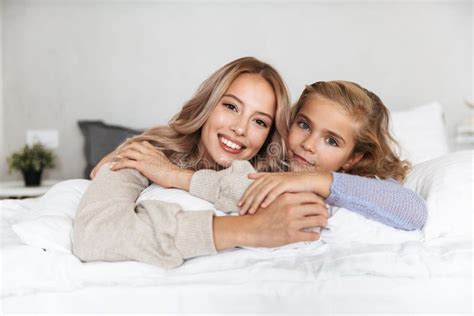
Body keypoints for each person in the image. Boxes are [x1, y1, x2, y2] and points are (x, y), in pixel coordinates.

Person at [73, 57, 329, 269]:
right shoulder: (145, 154)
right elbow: (94, 234)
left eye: (259, 121)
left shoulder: (272, 172)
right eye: (231, 106)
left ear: (268, 135)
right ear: (207, 105)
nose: (240, 128)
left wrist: (179, 177)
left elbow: (307, 215)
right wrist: (244, 229)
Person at [109, 81, 427, 231]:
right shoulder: (265, 160)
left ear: (352, 158)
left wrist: (319, 180)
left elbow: (412, 211)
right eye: (304, 125)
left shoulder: (353, 183)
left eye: (331, 140)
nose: (308, 145)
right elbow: (219, 174)